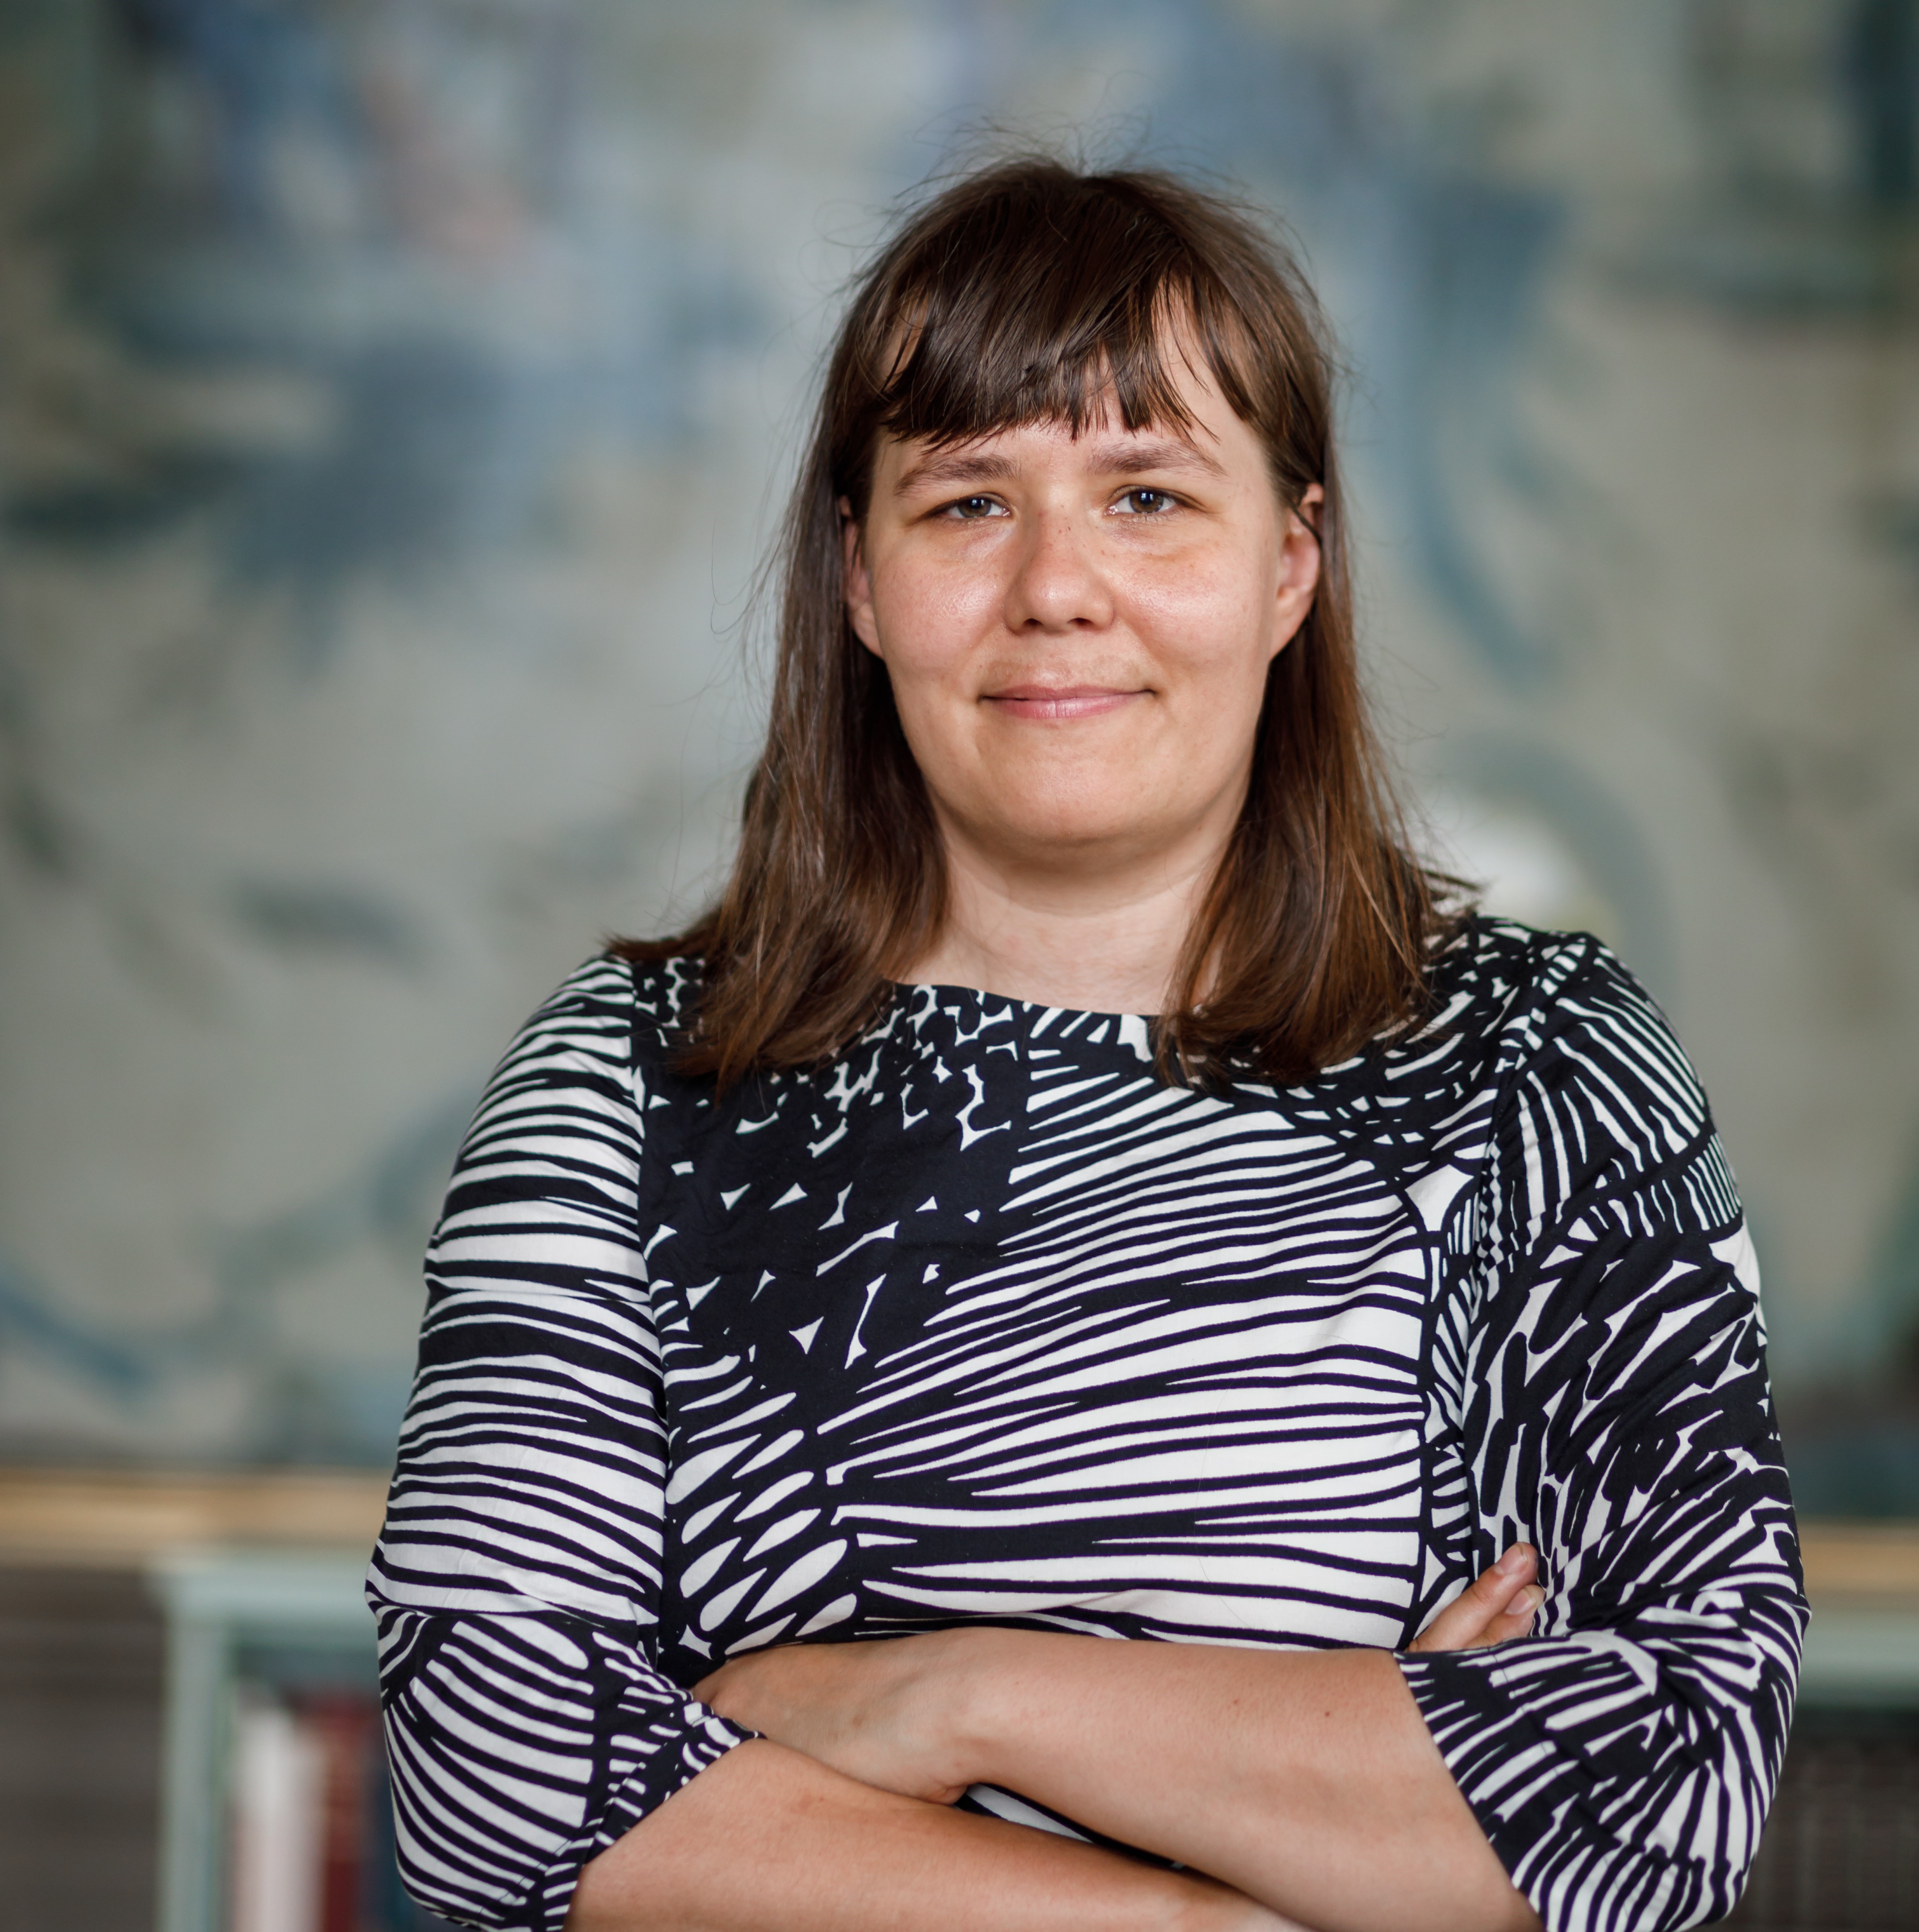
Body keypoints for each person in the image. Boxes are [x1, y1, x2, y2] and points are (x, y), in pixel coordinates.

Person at [367, 159, 1804, 1932]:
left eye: (1147, 496)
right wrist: (1247, 1893)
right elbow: (503, 1793)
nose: (1057, 587)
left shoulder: (1541, 1070)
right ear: (861, 576)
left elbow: (1660, 1791)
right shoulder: (625, 1086)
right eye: (969, 502)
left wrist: (946, 1698)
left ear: (1289, 565)